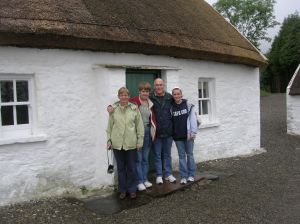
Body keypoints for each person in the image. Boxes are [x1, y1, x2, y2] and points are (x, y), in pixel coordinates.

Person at [106, 87, 144, 199]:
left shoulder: (134, 109)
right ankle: (122, 189)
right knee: (121, 168)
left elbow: (139, 126)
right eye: (122, 95)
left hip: (131, 143)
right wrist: (109, 141)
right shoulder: (114, 110)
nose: (124, 97)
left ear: (129, 96)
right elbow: (109, 127)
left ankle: (132, 189)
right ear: (119, 97)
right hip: (117, 144)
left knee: (131, 167)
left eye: (126, 95)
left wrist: (139, 141)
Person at [129, 82, 156, 191]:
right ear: (139, 91)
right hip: (138, 133)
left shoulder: (150, 103)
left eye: (147, 91)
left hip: (148, 132)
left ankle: (145, 179)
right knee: (138, 159)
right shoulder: (133, 102)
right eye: (143, 91)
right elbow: (120, 103)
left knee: (145, 159)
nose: (145, 93)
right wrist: (110, 107)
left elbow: (152, 119)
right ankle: (139, 181)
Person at [150, 78, 176, 184]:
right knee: (157, 155)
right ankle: (159, 175)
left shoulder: (170, 97)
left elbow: (179, 103)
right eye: (157, 85)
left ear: (163, 85)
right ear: (154, 86)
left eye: (160, 84)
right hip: (156, 132)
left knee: (167, 154)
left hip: (168, 131)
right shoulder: (150, 97)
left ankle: (168, 174)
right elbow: (138, 101)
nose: (159, 87)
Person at [171, 87, 198, 184]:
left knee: (190, 155)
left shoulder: (188, 105)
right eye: (175, 94)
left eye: (178, 94)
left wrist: (193, 132)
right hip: (178, 137)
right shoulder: (171, 107)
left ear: (181, 95)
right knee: (181, 156)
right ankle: (183, 176)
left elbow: (193, 120)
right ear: (173, 96)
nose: (177, 96)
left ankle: (191, 175)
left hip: (188, 136)